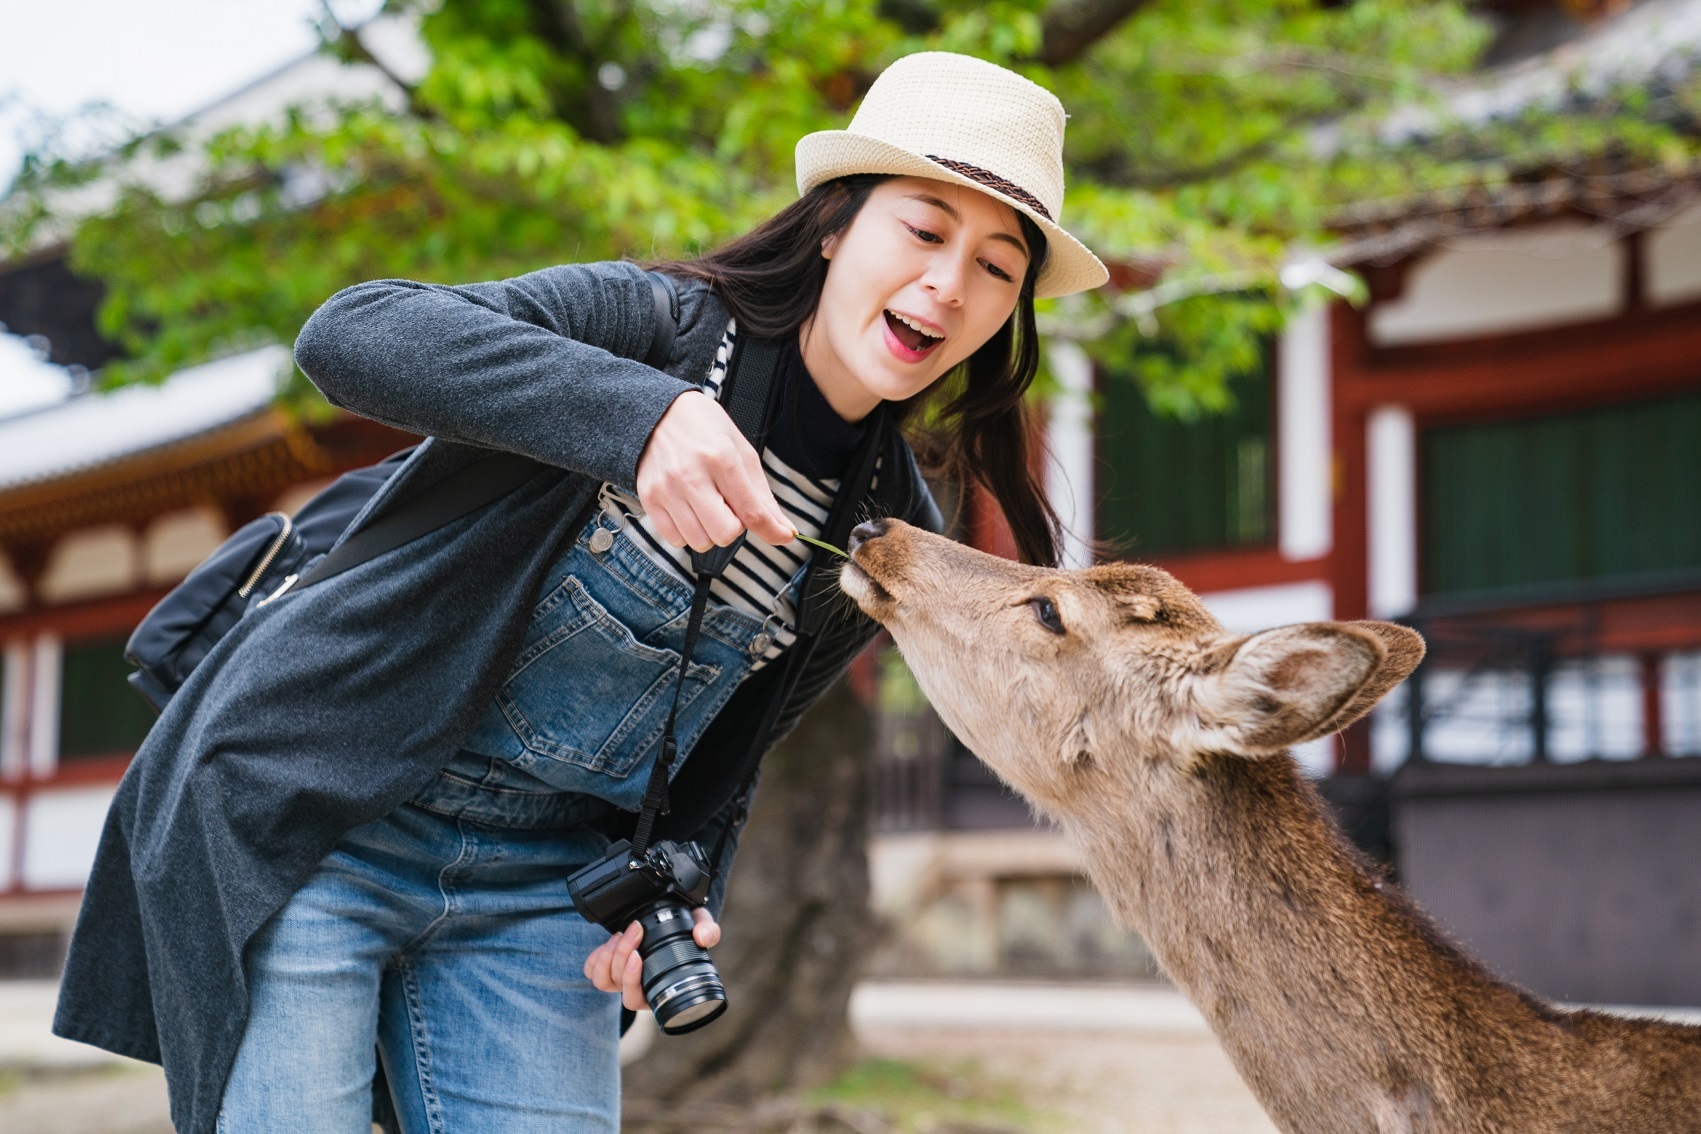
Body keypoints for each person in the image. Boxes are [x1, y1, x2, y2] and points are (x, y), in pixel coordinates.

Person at [52, 51, 1107, 1134]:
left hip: (541, 895)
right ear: (835, 226)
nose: (949, 285)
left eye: (996, 266)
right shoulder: (651, 324)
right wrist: (638, 415)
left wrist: (679, 898)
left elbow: (733, 748)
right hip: (320, 813)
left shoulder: (886, 527)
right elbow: (350, 334)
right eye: (925, 231)